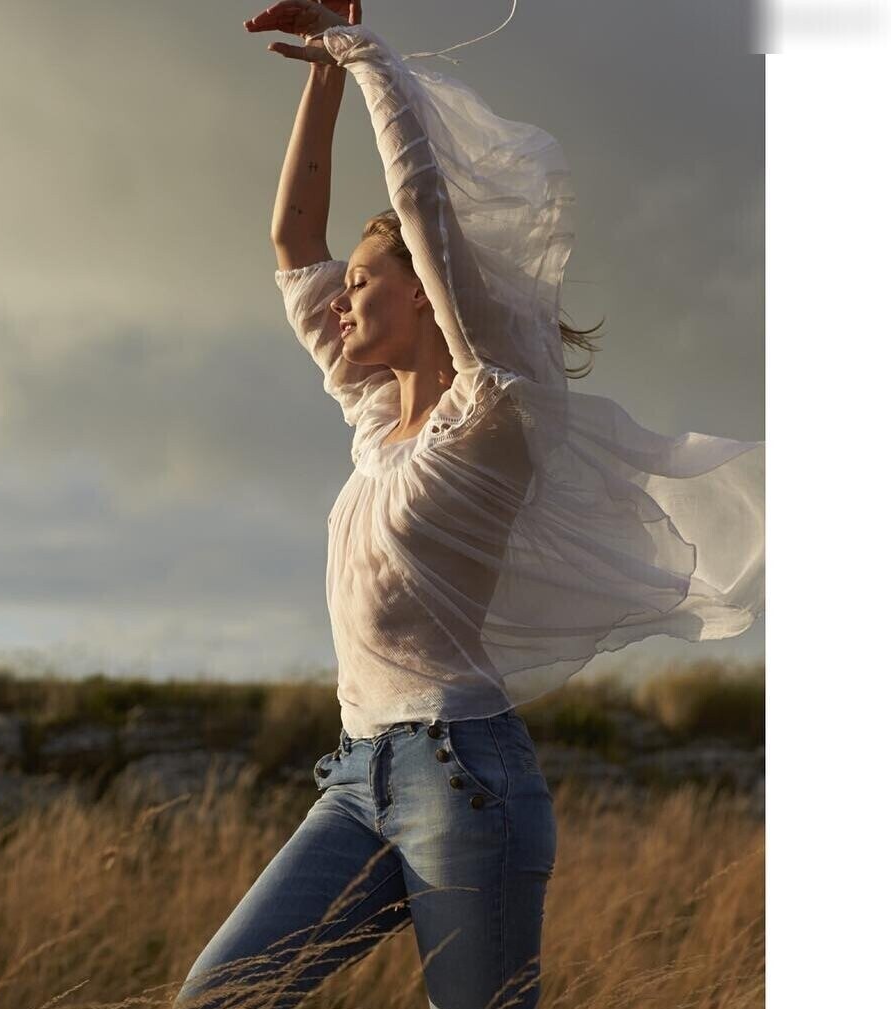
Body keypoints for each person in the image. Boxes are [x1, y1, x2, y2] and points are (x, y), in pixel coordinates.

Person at [173, 3, 765, 1007]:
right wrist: (320, 76)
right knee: (219, 994)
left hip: (463, 776)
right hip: (357, 777)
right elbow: (292, 237)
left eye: (365, 282)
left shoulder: (490, 418)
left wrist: (366, 57)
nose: (340, 299)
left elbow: (423, 206)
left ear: (425, 294)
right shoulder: (372, 414)